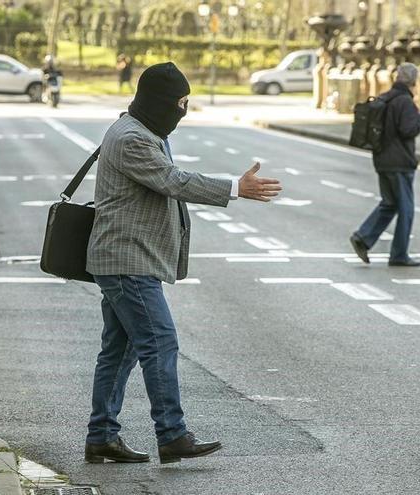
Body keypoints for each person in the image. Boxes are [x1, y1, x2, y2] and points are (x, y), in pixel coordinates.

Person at [84, 62, 282, 464]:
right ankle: (171, 434)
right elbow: (173, 181)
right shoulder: (133, 139)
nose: (183, 110)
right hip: (127, 258)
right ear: (160, 102)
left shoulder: (144, 129)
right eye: (179, 103)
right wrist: (234, 188)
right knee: (159, 342)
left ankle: (101, 435)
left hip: (129, 256)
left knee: (120, 350)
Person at [349, 63, 420, 267]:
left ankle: (363, 238)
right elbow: (408, 129)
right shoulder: (405, 102)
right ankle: (399, 254)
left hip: (382, 159)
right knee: (406, 209)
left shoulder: (385, 97)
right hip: (400, 162)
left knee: (389, 203)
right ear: (413, 81)